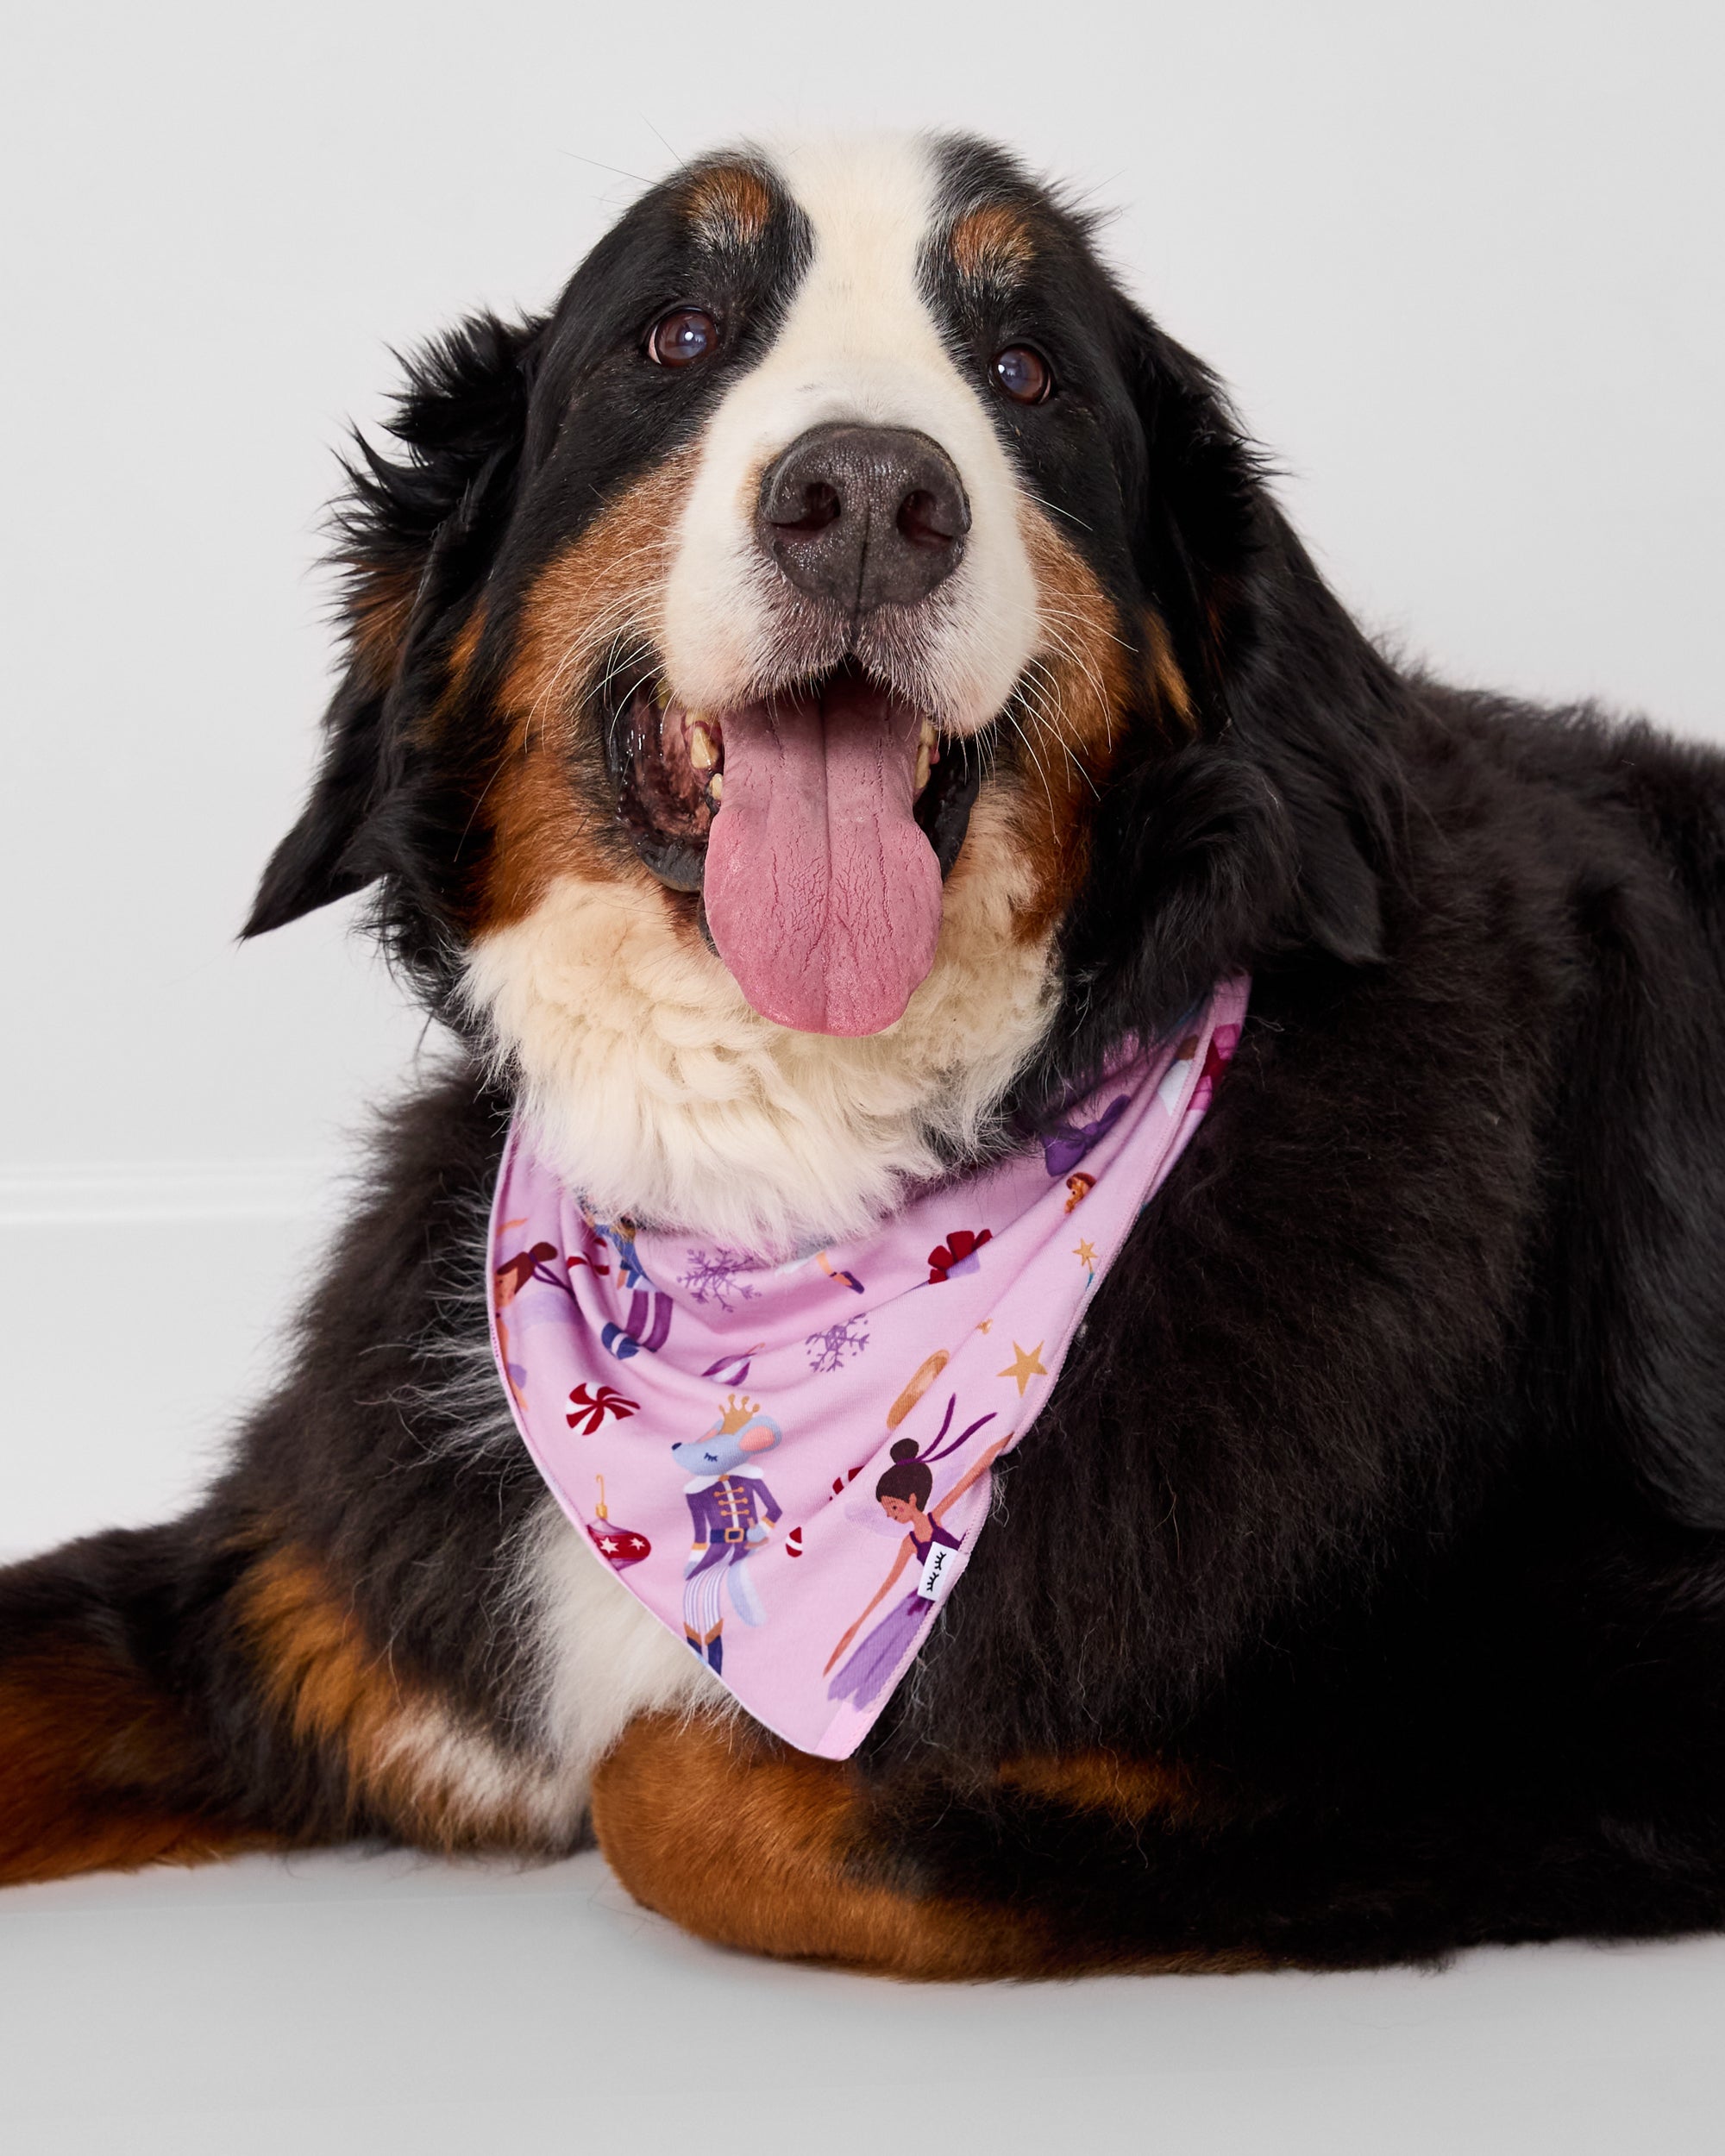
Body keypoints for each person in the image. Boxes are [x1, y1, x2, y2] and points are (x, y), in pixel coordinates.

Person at [824, 1429, 1011, 1709]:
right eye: (888, 1511)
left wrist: (1000, 1436)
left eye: (894, 1507)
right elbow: (887, 1587)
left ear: (912, 1500)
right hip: (922, 1603)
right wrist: (857, 1624)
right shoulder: (909, 1544)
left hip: (972, 1578)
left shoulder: (937, 1516)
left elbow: (965, 1481)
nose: (891, 1515)